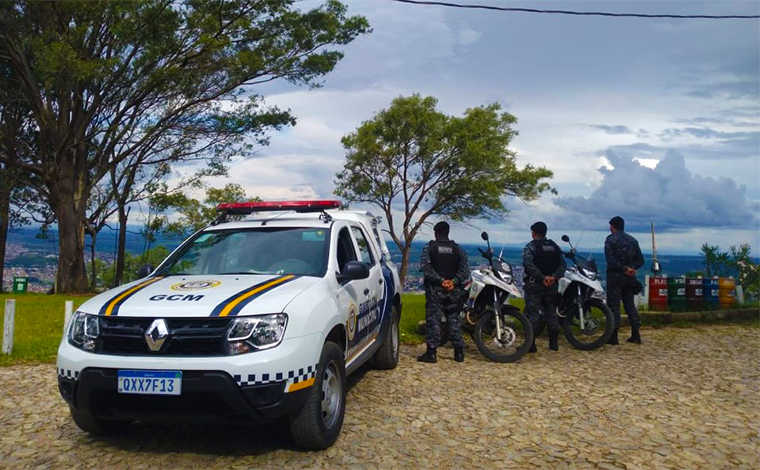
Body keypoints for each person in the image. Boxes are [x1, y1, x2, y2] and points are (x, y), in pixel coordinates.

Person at [417, 221, 470, 363]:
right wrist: (453, 282)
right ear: (448, 232)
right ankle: (459, 353)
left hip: (435, 290)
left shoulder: (430, 248)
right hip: (454, 291)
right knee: (454, 319)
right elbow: (465, 270)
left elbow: (426, 268)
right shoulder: (458, 249)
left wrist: (441, 281)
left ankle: (432, 353)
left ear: (436, 233)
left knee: (433, 321)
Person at [522, 221, 566, 352]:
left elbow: (529, 265)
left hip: (535, 285)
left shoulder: (531, 247)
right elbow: (563, 266)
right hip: (552, 285)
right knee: (551, 313)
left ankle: (531, 344)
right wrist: (553, 277)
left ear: (534, 233)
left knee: (532, 314)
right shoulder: (555, 247)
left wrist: (542, 277)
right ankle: (553, 343)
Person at [605, 216, 645, 345]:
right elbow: (641, 260)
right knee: (630, 305)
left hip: (615, 277)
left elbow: (611, 262)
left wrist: (623, 269)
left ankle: (613, 336)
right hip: (630, 278)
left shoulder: (610, 241)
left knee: (614, 306)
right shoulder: (633, 241)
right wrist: (631, 269)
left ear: (613, 226)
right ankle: (635, 334)